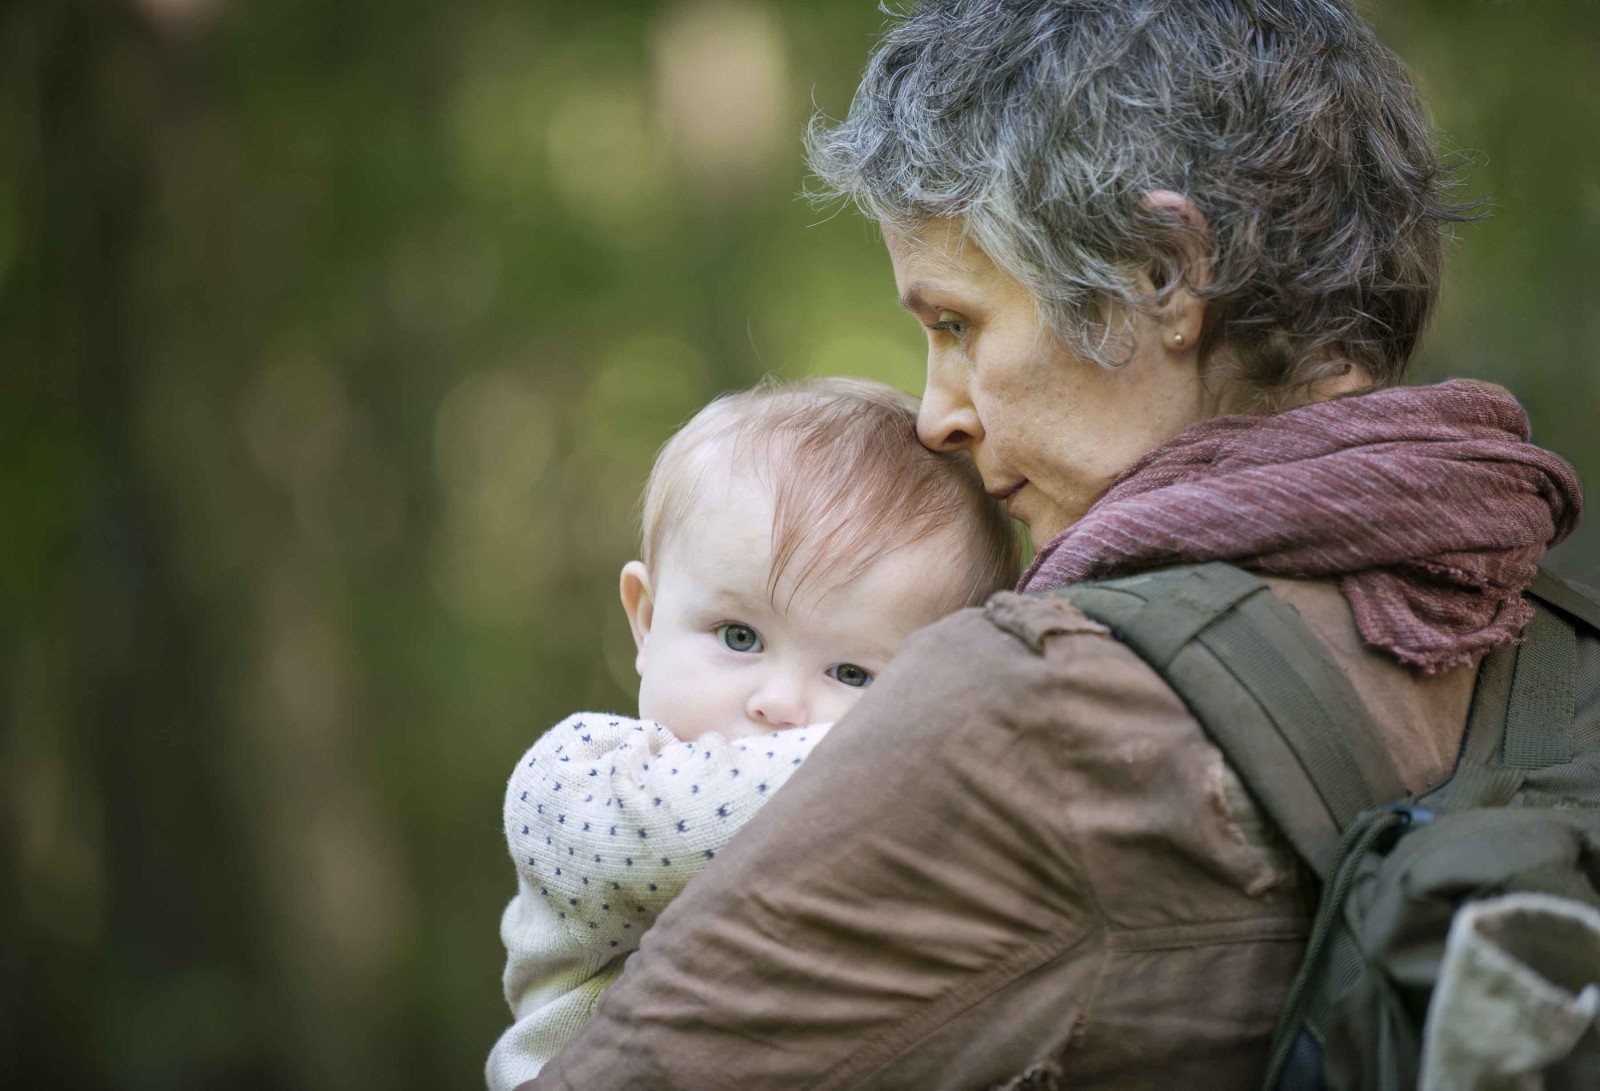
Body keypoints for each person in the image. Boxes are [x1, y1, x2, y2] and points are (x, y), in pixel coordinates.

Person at [520, 1, 1585, 1089]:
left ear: (1163, 275)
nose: (936, 413)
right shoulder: (1547, 625)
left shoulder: (1033, 708)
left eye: (955, 324)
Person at [486, 377, 1018, 1089]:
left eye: (854, 673)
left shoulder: (888, 820)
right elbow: (733, 810)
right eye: (739, 636)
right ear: (645, 619)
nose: (779, 702)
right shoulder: (576, 781)